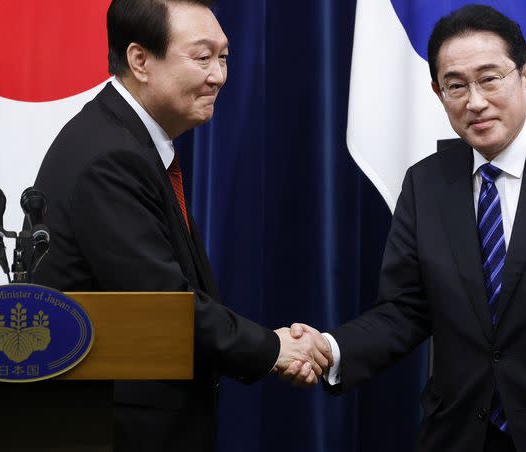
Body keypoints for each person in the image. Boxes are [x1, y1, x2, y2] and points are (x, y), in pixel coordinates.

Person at [286, 5, 526, 452]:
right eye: (456, 85)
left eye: (490, 79)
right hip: (459, 433)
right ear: (437, 92)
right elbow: (404, 311)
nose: (475, 101)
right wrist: (331, 347)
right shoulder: (426, 183)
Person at [32, 1, 331, 451]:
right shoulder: (110, 156)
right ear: (140, 60)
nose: (219, 76)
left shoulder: (127, 140)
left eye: (224, 57)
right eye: (202, 57)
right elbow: (161, 305)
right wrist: (274, 349)